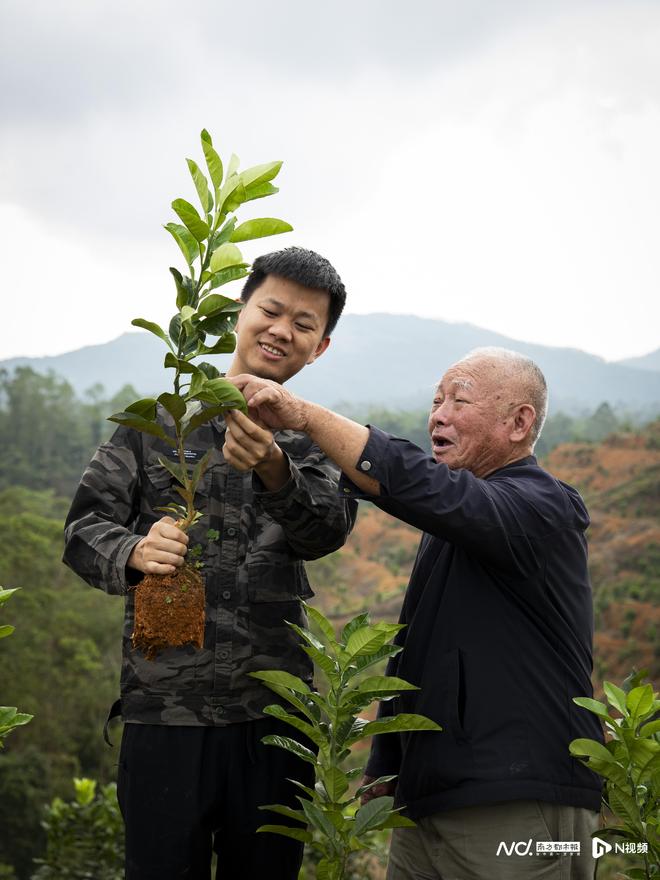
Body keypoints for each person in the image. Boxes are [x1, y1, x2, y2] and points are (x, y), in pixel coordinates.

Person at [229, 347, 604, 880]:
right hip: (426, 802)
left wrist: (305, 416)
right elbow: (416, 652)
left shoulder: (543, 507)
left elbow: (423, 484)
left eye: (459, 401)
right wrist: (386, 765)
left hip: (515, 800)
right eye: (435, 401)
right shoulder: (450, 527)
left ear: (519, 422)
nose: (439, 416)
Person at [63, 247, 357, 880]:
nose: (282, 330)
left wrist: (276, 467)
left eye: (303, 324)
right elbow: (82, 531)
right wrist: (134, 551)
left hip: (273, 721)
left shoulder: (314, 442)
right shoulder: (156, 425)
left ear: (320, 347)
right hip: (165, 712)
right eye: (270, 310)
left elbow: (326, 532)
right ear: (240, 313)